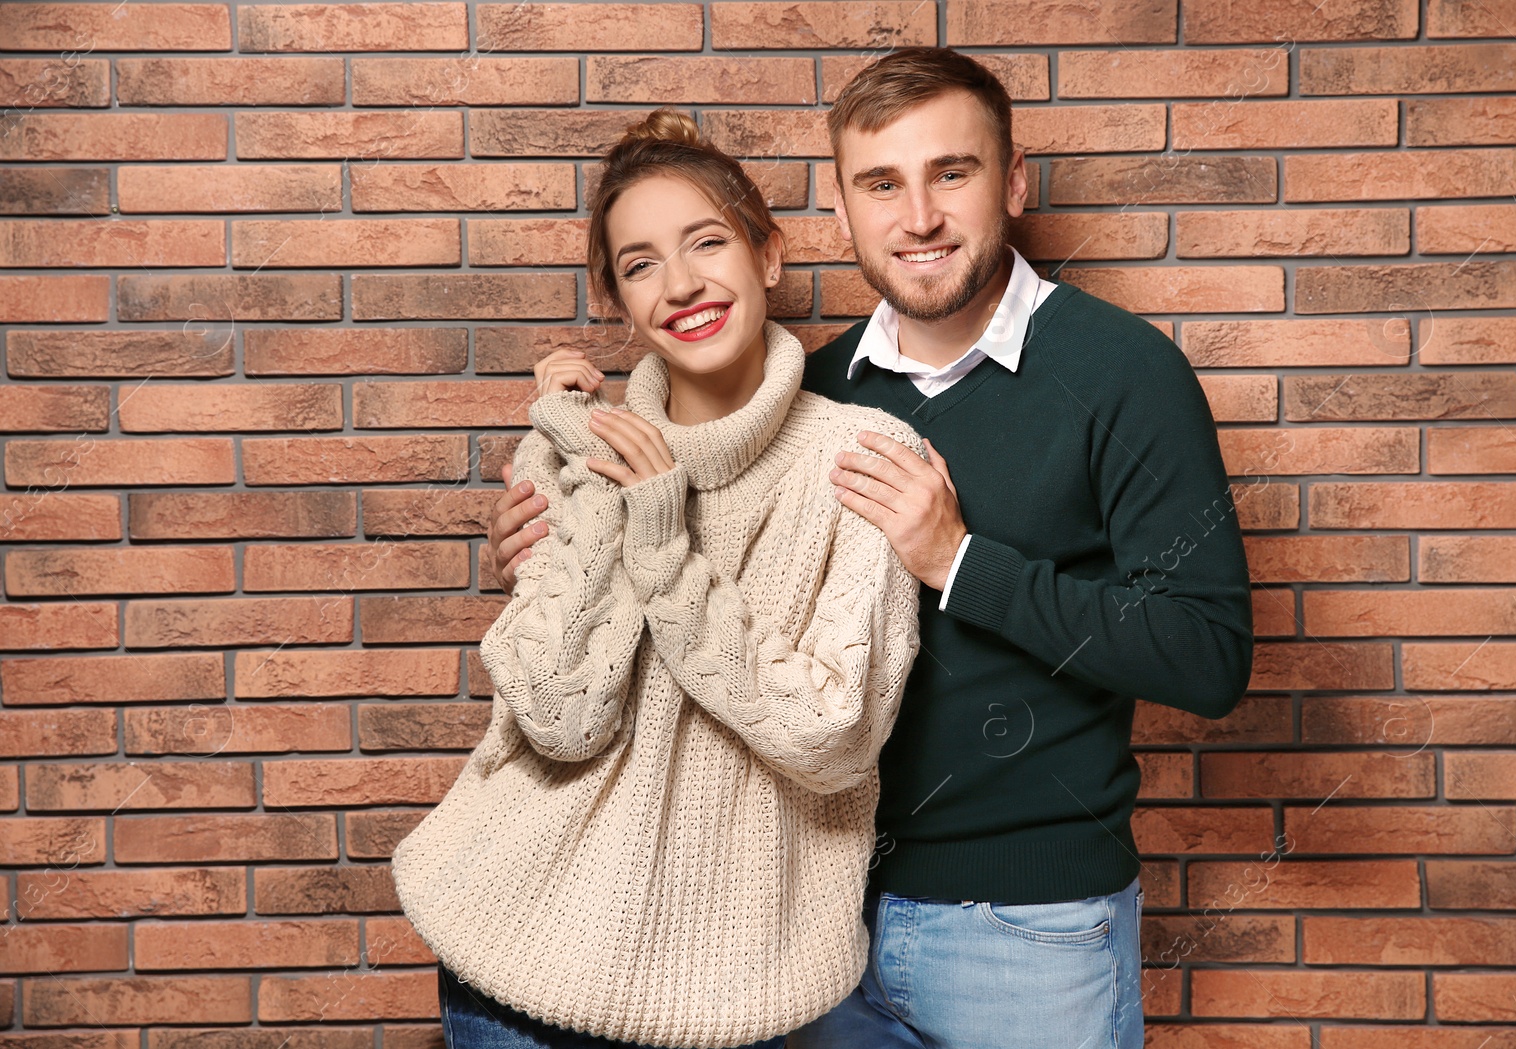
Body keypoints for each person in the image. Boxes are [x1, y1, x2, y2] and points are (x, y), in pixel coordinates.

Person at [485, 50, 1255, 1049]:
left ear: (1013, 181)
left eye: (952, 173)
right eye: (880, 183)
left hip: (1019, 930)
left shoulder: (1122, 371)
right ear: (839, 213)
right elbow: (687, 589)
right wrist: (556, 525)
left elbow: (1204, 654)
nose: (919, 216)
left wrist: (960, 559)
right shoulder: (812, 394)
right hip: (800, 922)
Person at [391, 107, 928, 1049]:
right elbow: (559, 717)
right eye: (641, 264)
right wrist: (590, 475)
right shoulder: (573, 450)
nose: (681, 285)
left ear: (769, 255)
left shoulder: (865, 457)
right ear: (620, 300)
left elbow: (832, 735)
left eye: (707, 243)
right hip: (515, 957)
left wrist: (665, 544)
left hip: (736, 995)